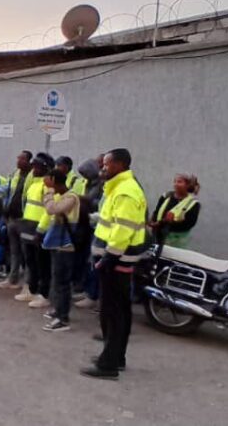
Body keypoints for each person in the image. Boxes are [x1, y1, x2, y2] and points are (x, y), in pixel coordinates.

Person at [82, 148, 148, 380]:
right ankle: (116, 357)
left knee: (112, 312)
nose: (103, 167)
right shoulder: (119, 187)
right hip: (116, 259)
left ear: (119, 165)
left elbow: (122, 230)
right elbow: (114, 221)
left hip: (116, 260)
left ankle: (108, 365)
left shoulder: (125, 191)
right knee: (119, 310)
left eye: (107, 163)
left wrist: (109, 258)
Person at [41, 169, 83, 332]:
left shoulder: (71, 197)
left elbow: (51, 209)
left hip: (66, 245)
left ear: (54, 180)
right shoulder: (63, 196)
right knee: (57, 279)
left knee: (62, 282)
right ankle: (57, 310)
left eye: (49, 181)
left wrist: (49, 191)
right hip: (57, 244)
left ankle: (63, 318)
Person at [19, 153, 54, 308]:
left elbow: (48, 211)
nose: (35, 169)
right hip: (28, 227)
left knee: (43, 264)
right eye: (34, 166)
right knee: (30, 262)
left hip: (40, 230)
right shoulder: (34, 185)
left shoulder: (48, 186)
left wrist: (41, 229)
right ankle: (32, 290)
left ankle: (44, 294)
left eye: (38, 167)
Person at [0, 151, 35, 291]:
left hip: (24, 219)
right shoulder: (15, 174)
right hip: (11, 218)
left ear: (29, 161)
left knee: (27, 253)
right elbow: (7, 191)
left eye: (22, 159)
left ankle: (27, 283)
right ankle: (12, 279)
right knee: (14, 251)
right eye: (18, 158)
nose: (18, 161)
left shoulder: (33, 176)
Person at [75, 156, 105, 310]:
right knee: (87, 260)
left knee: (93, 262)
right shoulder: (88, 184)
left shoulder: (101, 186)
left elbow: (99, 205)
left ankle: (93, 295)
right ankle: (87, 291)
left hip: (98, 227)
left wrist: (84, 201)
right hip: (88, 225)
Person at [149, 173, 201, 248]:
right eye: (175, 181)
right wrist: (153, 222)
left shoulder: (193, 204)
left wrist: (170, 222)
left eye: (179, 182)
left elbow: (189, 224)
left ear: (188, 185)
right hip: (157, 236)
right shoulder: (166, 196)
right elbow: (157, 212)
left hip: (176, 241)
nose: (175, 184)